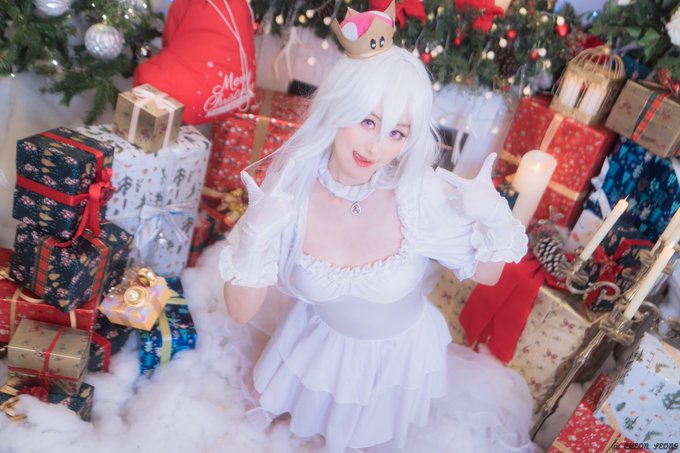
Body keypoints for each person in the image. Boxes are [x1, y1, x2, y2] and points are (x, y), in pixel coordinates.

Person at [220, 3, 534, 451]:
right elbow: (240, 313)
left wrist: (494, 217)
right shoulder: (292, 190)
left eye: (397, 133)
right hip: (315, 350)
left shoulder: (418, 196)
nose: (376, 146)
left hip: (393, 368)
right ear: (339, 108)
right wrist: (254, 238)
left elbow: (487, 274)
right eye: (367, 121)